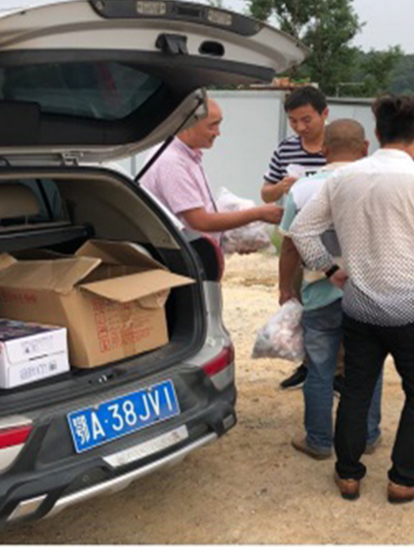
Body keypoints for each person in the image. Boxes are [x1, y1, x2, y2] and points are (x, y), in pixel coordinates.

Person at [290, 95, 414, 503]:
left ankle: (348, 474)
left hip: (360, 306)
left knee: (356, 389)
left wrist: (330, 270)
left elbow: (301, 230)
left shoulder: (342, 179)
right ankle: (404, 479)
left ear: (376, 132)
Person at [278, 119, 382, 460]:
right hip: (369, 295)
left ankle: (319, 441)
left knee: (320, 370)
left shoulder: (302, 189)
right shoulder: (381, 186)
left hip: (319, 294)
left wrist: (285, 289)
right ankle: (367, 436)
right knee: (368, 369)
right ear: (365, 148)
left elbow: (290, 246)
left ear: (324, 150)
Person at [262, 86, 330, 390]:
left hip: (334, 243)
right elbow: (266, 193)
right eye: (293, 121)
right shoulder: (286, 149)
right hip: (297, 243)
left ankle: (337, 373)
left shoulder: (340, 145)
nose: (300, 127)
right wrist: (281, 187)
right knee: (302, 305)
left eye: (306, 119)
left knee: (335, 310)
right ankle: (307, 367)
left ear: (324, 114)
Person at [140, 98, 282, 244]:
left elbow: (198, 215)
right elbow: (200, 221)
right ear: (188, 124)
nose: (217, 132)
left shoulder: (186, 156)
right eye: (212, 125)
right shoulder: (171, 162)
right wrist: (258, 214)